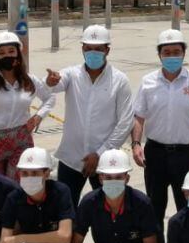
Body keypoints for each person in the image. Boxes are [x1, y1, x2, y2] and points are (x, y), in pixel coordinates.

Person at [131, 29, 189, 243]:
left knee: (188, 211)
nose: (171, 56)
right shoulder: (148, 82)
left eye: (176, 52)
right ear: (159, 55)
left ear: (184, 53)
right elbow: (138, 117)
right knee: (154, 211)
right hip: (155, 154)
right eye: (166, 52)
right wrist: (136, 143)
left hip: (186, 155)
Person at [45, 25, 134, 207]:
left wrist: (101, 153)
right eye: (88, 48)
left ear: (107, 50)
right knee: (65, 212)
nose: (93, 53)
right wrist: (50, 81)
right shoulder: (72, 74)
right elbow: (56, 83)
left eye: (98, 49)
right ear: (82, 49)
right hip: (71, 158)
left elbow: (125, 122)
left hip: (105, 163)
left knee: (106, 212)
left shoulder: (119, 80)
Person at [0, 31, 56, 178]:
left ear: (18, 53)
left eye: (11, 51)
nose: (7, 56)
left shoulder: (29, 80)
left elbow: (49, 98)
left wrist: (38, 117)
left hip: (21, 138)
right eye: (2, 53)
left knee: (19, 184)